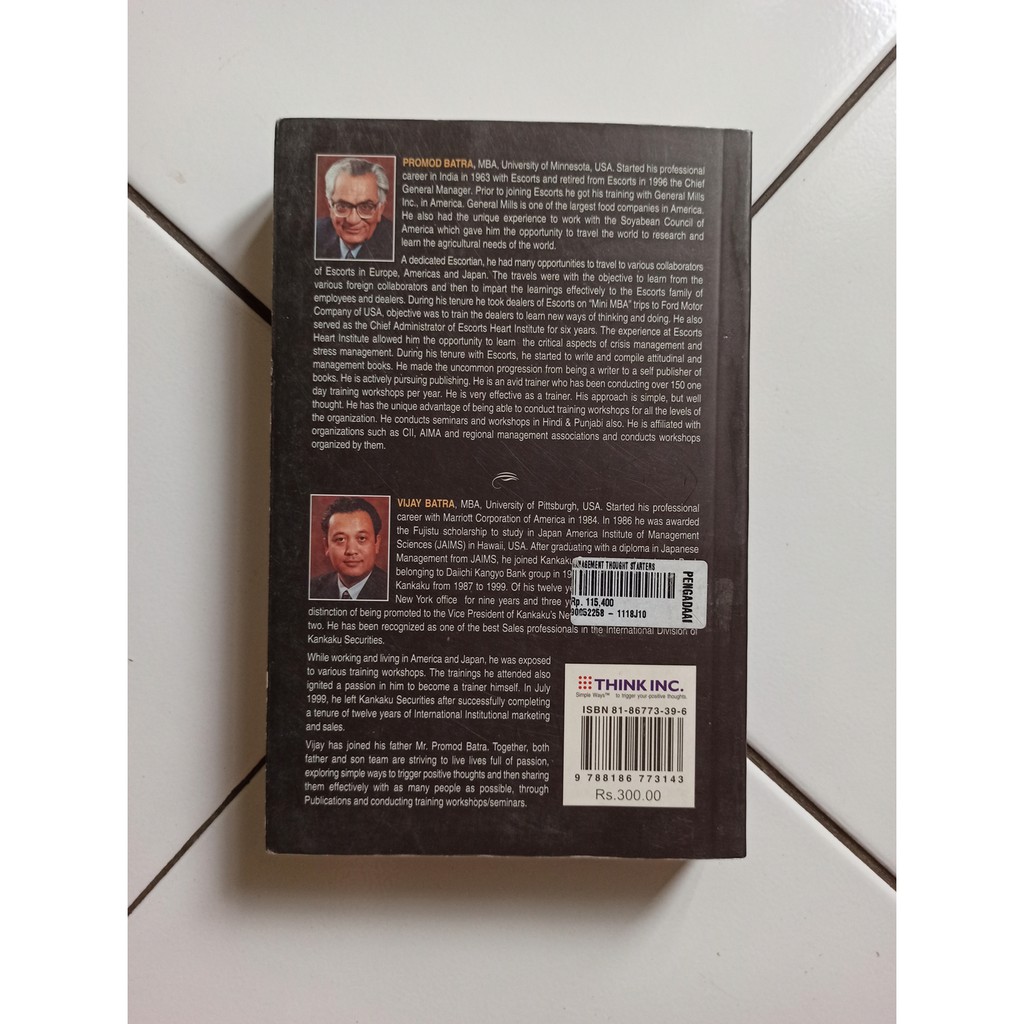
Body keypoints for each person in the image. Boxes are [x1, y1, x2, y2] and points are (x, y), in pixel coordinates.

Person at [310, 496, 389, 600]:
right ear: (327, 546)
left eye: (362, 538)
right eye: (340, 539)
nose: (351, 551)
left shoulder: (393, 590)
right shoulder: (312, 589)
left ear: (376, 544)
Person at [315, 158, 394, 260]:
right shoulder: (315, 234)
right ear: (330, 207)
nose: (352, 220)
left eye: (365, 207)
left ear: (380, 210)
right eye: (342, 206)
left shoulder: (395, 242)